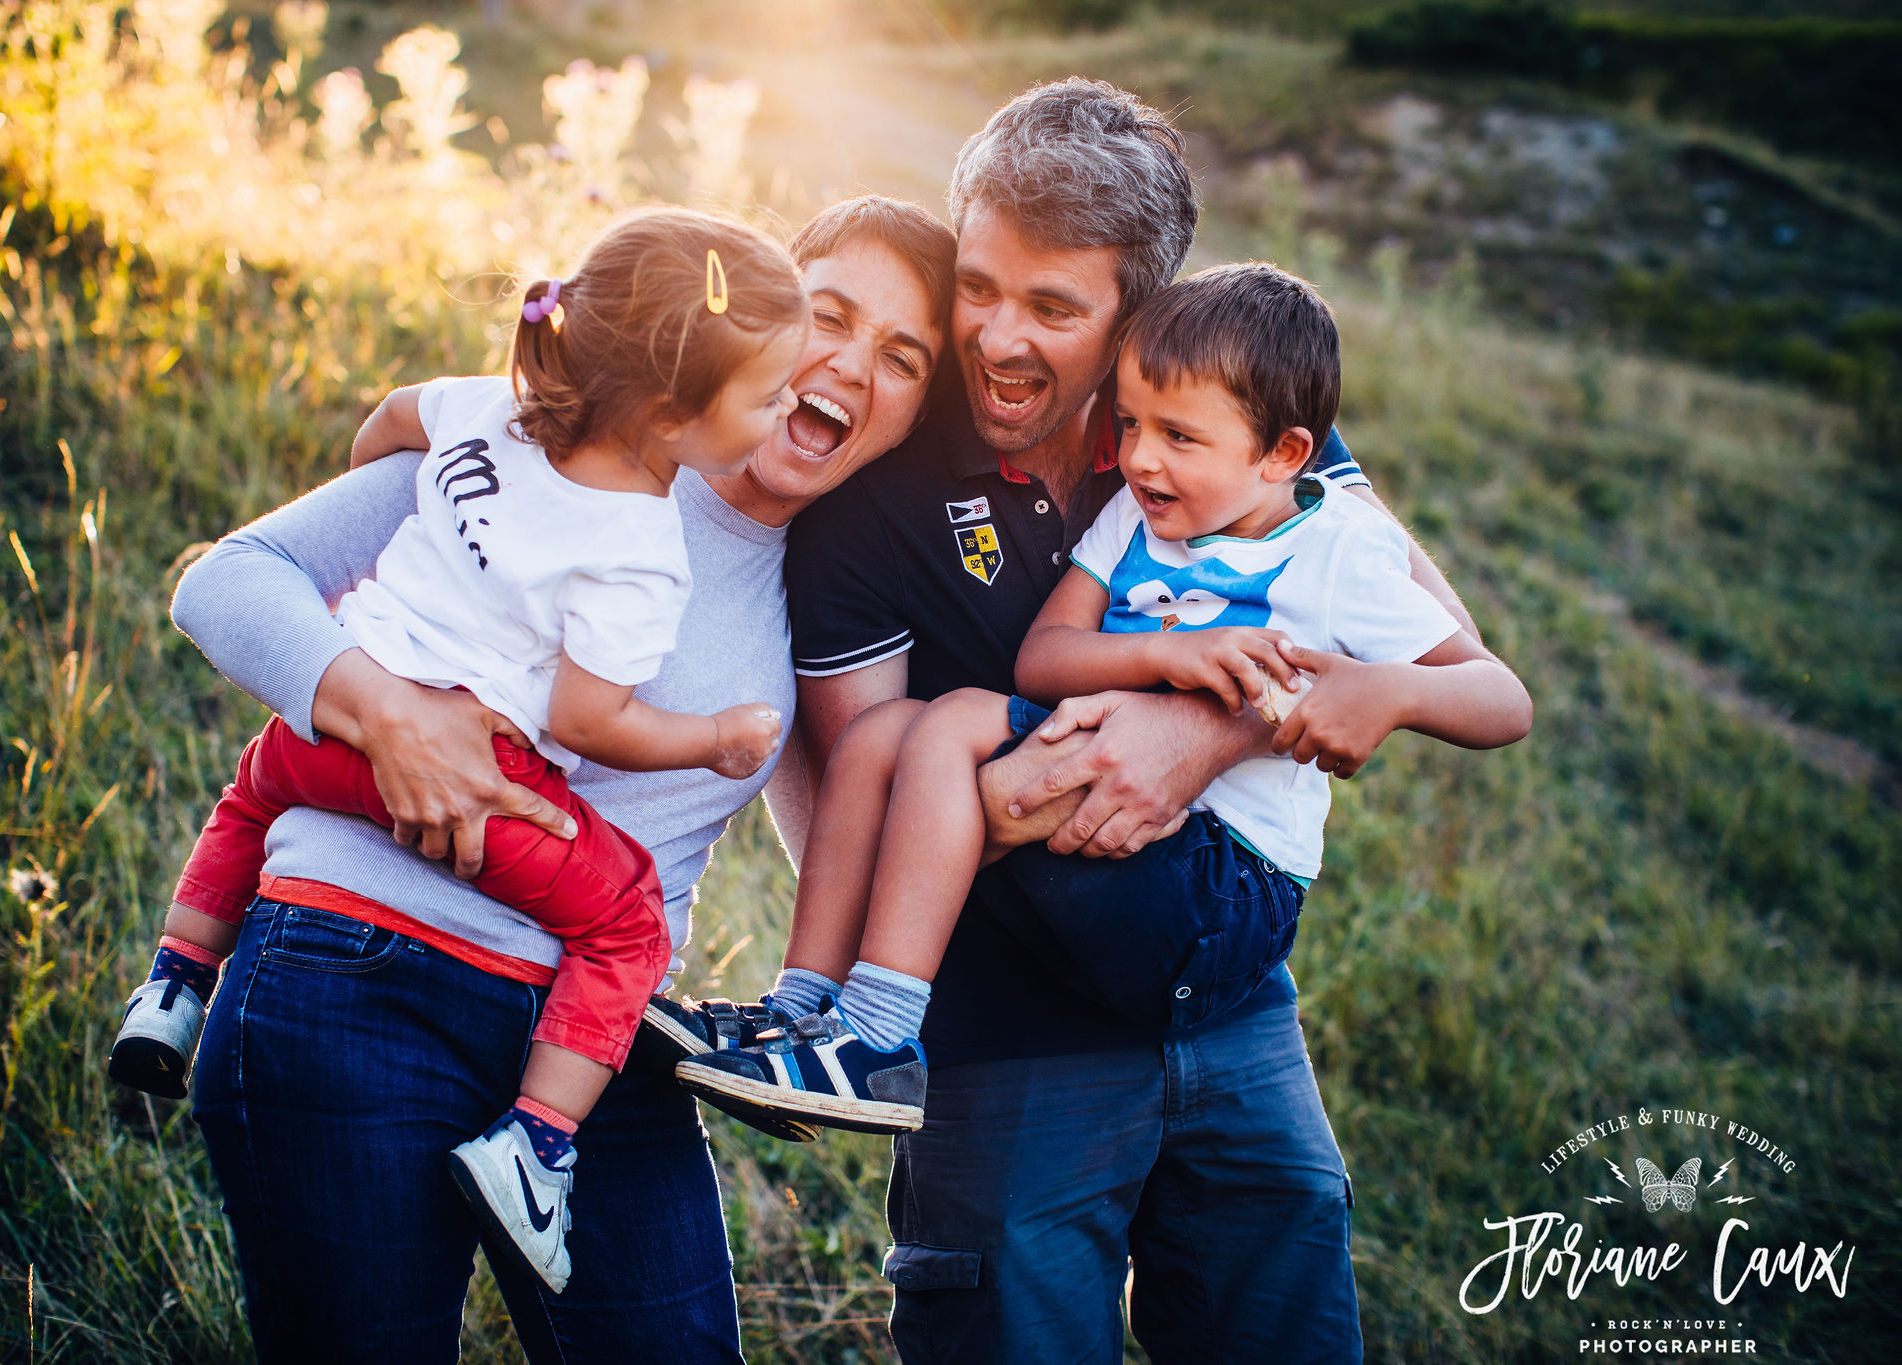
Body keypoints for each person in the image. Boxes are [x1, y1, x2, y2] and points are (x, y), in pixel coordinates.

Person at [168, 195, 953, 1361]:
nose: (847, 367)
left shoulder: (827, 596)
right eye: (829, 316)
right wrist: (391, 716)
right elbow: (226, 584)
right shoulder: (572, 447)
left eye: (902, 359)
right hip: (357, 973)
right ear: (760, 325)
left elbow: (852, 821)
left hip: (596, 1050)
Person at [779, 81, 1486, 1363]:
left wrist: (1207, 732)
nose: (994, 338)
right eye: (976, 287)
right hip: (1003, 1051)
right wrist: (1079, 760)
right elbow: (849, 811)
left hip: (1230, 1004)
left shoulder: (1224, 406)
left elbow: (1457, 661)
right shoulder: (868, 499)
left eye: (1050, 309)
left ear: (1133, 315)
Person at [672, 263, 1532, 1136]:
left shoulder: (1339, 548)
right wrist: (1167, 651)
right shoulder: (1137, 514)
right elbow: (1045, 659)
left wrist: (1387, 689)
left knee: (956, 720)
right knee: (879, 735)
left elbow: (1502, 700)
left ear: (1285, 454)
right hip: (1115, 805)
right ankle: (804, 1005)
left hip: (1230, 879)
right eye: (1128, 424)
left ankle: (880, 1037)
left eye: (1180, 438)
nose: (1141, 456)